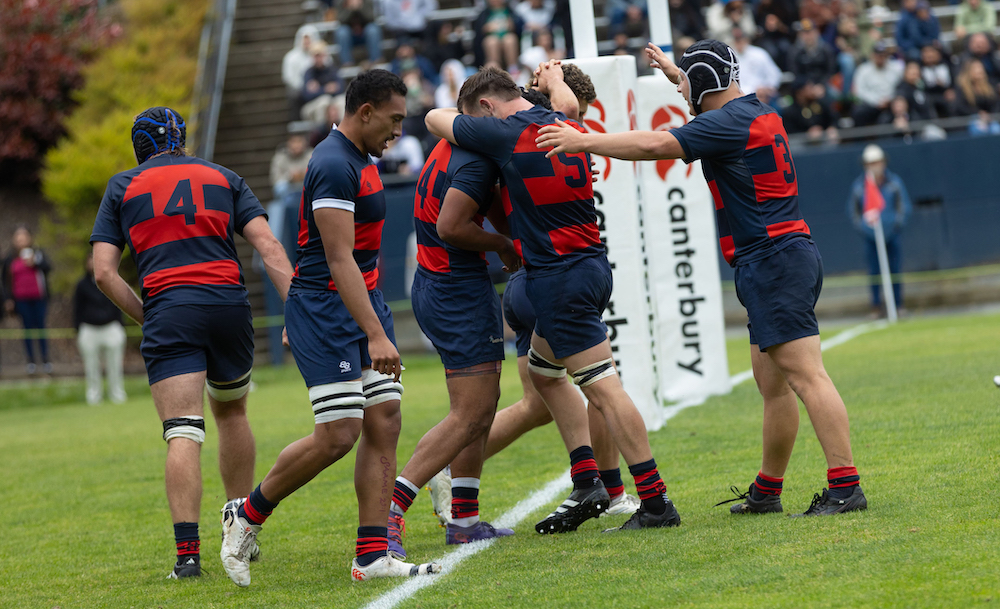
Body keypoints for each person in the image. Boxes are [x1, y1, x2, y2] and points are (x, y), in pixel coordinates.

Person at [535, 39, 867, 517]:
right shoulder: (756, 112)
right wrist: (681, 76)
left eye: (688, 85)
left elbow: (655, 143)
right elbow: (711, 107)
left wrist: (583, 139)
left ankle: (845, 485)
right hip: (780, 256)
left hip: (772, 259)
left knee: (807, 377)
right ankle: (767, 490)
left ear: (703, 86)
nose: (683, 91)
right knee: (774, 386)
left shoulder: (725, 124)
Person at [426, 64, 682, 534]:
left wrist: (491, 114)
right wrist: (549, 80)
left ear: (486, 108)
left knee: (604, 389)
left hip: (558, 276)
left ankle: (655, 501)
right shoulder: (566, 120)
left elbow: (432, 118)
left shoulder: (506, 135)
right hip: (589, 264)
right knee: (544, 376)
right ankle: (590, 482)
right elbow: (563, 100)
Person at [218, 70, 441, 587]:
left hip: (361, 303)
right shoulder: (333, 163)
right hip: (326, 308)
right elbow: (338, 260)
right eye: (392, 119)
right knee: (339, 433)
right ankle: (246, 514)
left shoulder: (361, 157)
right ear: (364, 112)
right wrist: (378, 334)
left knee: (384, 418)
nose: (397, 131)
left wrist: (375, 321)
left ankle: (371, 553)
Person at [90, 106, 295, 579]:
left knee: (184, 430)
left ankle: (188, 558)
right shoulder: (224, 176)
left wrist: (148, 314)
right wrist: (297, 311)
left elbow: (103, 271)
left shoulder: (123, 186)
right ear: (181, 139)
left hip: (170, 310)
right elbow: (269, 247)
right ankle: (240, 529)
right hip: (228, 306)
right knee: (233, 411)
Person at [847, 144, 911, 317]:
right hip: (870, 237)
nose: (874, 166)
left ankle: (898, 305)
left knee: (895, 269)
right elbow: (854, 213)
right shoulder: (859, 186)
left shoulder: (895, 182)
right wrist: (865, 229)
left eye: (877, 162)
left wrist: (895, 225)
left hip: (892, 234)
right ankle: (876, 306)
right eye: (870, 163)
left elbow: (904, 207)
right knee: (874, 272)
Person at [73, 251, 127, 405]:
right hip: (89, 329)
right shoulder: (82, 285)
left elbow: (118, 303)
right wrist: (78, 329)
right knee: (91, 366)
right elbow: (77, 309)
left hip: (111, 327)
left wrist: (119, 325)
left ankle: (117, 395)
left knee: (115, 365)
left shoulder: (111, 281)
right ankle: (93, 397)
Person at [2, 225, 53, 375]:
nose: (21, 240)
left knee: (41, 327)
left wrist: (35, 263)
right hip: (21, 299)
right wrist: (8, 299)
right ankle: (31, 361)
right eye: (18, 238)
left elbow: (48, 268)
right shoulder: (10, 259)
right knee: (27, 329)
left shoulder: (38, 253)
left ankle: (45, 360)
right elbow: (5, 281)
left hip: (39, 297)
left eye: (24, 237)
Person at [851, 41, 903, 126]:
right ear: (872, 55)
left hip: (891, 104)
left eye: (883, 55)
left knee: (888, 117)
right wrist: (877, 102)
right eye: (878, 55)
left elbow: (900, 86)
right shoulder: (863, 70)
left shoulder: (896, 68)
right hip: (870, 104)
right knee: (858, 112)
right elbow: (859, 92)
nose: (880, 57)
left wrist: (890, 99)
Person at [269, 133, 313, 209]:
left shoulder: (311, 155)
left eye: (299, 141)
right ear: (288, 143)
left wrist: (303, 175)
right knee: (279, 192)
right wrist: (290, 177)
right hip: (287, 191)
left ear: (304, 142)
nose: (296, 145)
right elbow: (275, 179)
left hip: (306, 189)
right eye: (294, 142)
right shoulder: (280, 156)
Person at [335, 0, 383, 66]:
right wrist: (350, 9)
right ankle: (347, 63)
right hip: (350, 36)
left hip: (365, 34)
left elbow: (371, 18)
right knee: (342, 32)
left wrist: (360, 7)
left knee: (373, 30)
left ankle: (375, 59)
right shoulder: (340, 2)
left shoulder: (368, 2)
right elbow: (341, 20)